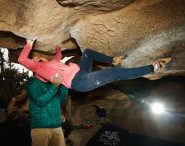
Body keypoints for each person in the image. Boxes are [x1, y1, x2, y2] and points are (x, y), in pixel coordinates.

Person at [18, 39, 171, 92]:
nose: (37, 57)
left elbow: (57, 56)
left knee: (88, 53)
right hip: (79, 82)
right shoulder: (40, 69)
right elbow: (22, 60)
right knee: (115, 74)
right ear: (36, 65)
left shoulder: (50, 63)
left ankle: (113, 60)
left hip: (81, 72)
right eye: (36, 58)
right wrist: (28, 45)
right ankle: (153, 68)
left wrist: (58, 47)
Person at [26, 73, 68, 146]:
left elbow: (61, 99)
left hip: (57, 126)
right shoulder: (32, 83)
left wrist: (64, 85)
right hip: (41, 128)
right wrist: (54, 86)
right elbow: (40, 101)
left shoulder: (52, 83)